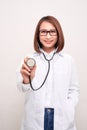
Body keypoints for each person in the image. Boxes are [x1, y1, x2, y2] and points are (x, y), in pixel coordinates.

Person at [16, 16, 79, 130]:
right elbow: (21, 88)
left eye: (52, 32)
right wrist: (26, 80)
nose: (48, 36)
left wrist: (69, 107)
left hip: (62, 120)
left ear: (58, 34)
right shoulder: (29, 59)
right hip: (35, 121)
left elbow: (74, 89)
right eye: (44, 32)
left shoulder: (68, 60)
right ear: (38, 35)